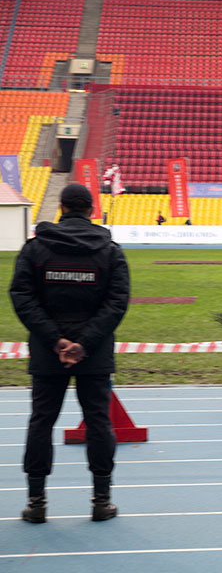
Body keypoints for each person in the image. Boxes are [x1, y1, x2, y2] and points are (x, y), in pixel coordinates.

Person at [9, 183, 130, 523]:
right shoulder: (110, 251)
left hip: (49, 353)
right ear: (91, 210)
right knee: (99, 423)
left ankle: (37, 503)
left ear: (61, 208)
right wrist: (84, 344)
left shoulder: (35, 250)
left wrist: (55, 341)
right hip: (94, 353)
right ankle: (101, 501)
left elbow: (22, 296)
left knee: (41, 422)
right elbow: (117, 302)